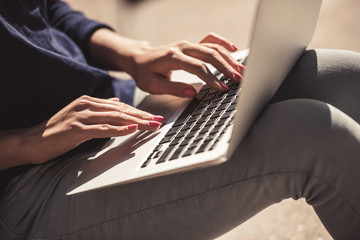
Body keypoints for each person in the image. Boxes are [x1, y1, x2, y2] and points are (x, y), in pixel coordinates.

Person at [0, 0, 359, 239]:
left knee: (344, 77)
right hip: (26, 185)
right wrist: (26, 143)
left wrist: (135, 54)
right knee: (313, 137)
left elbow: (45, 11)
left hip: (115, 106)